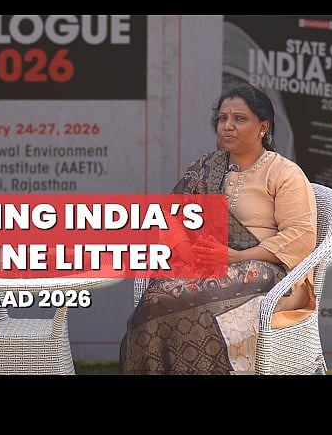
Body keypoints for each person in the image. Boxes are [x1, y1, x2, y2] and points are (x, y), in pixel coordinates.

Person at [120, 82, 318, 375]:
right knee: (157, 296)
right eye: (223, 118)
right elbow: (169, 213)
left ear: (263, 127)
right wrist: (185, 250)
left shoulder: (283, 173)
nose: (228, 126)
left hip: (269, 270)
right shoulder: (206, 166)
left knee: (188, 298)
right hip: (208, 262)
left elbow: (300, 235)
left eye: (240, 119)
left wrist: (238, 256)